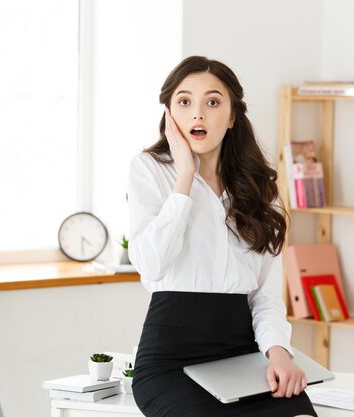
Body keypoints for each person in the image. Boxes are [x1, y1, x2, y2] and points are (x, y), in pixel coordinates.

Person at [127, 55, 317, 417]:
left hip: (244, 356)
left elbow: (265, 296)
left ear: (232, 117)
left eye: (212, 102)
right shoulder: (149, 171)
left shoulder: (259, 188)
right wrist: (184, 177)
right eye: (184, 102)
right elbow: (151, 265)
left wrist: (279, 353)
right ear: (169, 114)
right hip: (171, 361)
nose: (197, 113)